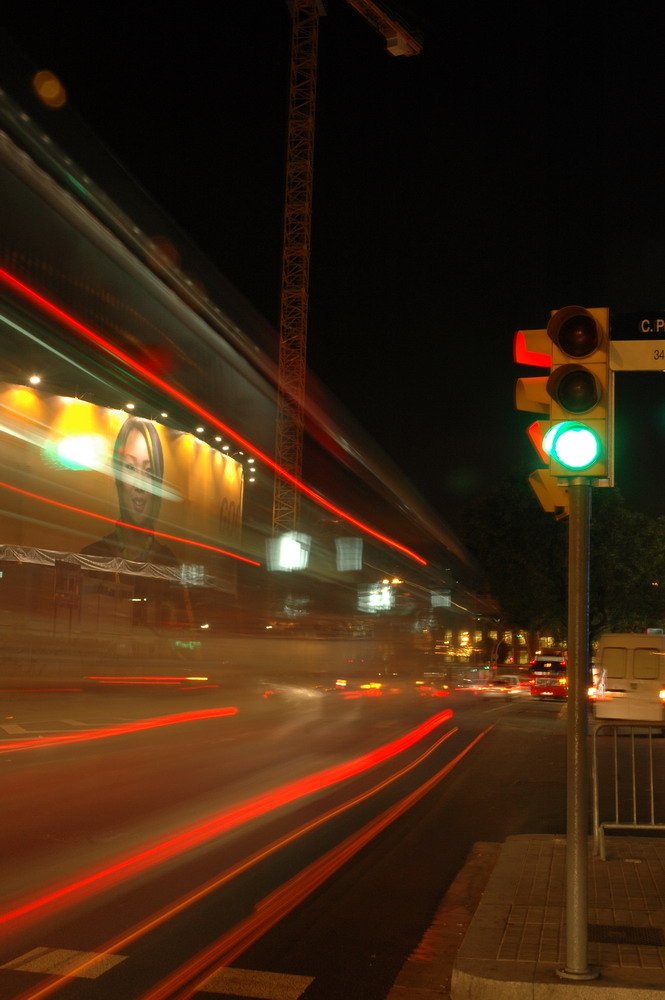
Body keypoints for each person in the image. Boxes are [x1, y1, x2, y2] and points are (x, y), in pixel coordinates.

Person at [82, 416, 177, 566]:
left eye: (149, 470)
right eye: (131, 468)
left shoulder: (168, 563)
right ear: (117, 476)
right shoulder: (92, 556)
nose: (140, 485)